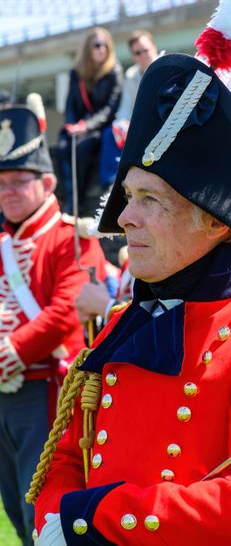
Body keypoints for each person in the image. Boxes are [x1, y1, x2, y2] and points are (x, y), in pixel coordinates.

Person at [29, 0, 231, 544]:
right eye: (128, 196)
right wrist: (55, 518)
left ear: (216, 222)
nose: (124, 218)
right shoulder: (127, 317)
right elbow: (67, 460)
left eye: (152, 199)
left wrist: (91, 519)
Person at [0, 104, 106, 546]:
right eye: (1, 183)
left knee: (41, 512)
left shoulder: (71, 236)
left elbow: (69, 306)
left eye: (18, 181)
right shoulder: (5, 241)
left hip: (46, 390)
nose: (7, 192)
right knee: (13, 502)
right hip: (6, 392)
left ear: (47, 183)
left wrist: (12, 350)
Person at [58, 27, 123, 213]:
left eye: (105, 46)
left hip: (99, 126)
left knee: (83, 147)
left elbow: (110, 109)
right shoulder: (76, 72)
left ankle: (81, 198)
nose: (101, 49)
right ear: (88, 48)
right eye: (97, 45)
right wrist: (71, 125)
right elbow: (70, 103)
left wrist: (87, 126)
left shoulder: (114, 71)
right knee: (63, 146)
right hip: (79, 124)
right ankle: (69, 197)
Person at [112, 30, 158, 148]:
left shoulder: (168, 66)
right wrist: (122, 124)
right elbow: (126, 108)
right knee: (110, 134)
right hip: (141, 126)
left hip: (166, 123)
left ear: (154, 48)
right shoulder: (131, 75)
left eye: (146, 50)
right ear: (133, 56)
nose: (143, 55)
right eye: (138, 53)